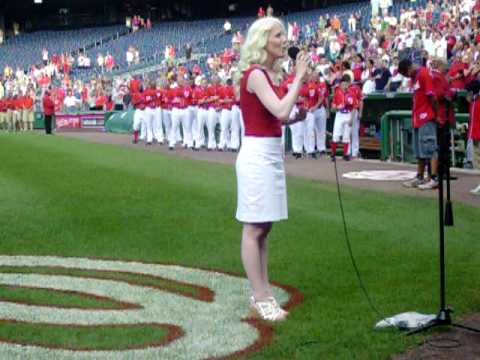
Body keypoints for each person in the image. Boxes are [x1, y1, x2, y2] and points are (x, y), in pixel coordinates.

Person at [235, 17, 308, 321]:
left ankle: (263, 291)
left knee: (265, 227)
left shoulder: (267, 75)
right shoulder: (254, 75)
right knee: (254, 227)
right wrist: (299, 78)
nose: (284, 40)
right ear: (263, 40)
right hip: (257, 155)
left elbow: (277, 116)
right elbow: (278, 109)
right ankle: (260, 295)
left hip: (269, 152)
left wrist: (296, 116)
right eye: (279, 35)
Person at [399, 59, 439, 190]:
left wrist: (436, 114)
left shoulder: (423, 73)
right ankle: (420, 177)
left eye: (406, 73)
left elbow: (432, 96)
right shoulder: (414, 78)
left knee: (430, 147)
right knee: (419, 150)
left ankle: (433, 178)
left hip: (427, 117)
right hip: (417, 118)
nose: (407, 76)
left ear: (409, 67)